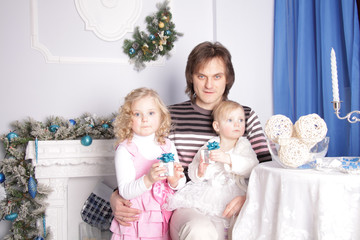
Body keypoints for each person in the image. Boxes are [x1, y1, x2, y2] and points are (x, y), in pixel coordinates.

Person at [110, 41, 272, 240]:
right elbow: (144, 158)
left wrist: (249, 198)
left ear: (227, 79)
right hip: (189, 204)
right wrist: (116, 195)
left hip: (238, 199)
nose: (209, 85)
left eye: (217, 76)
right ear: (191, 78)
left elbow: (267, 168)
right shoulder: (170, 116)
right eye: (201, 76)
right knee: (199, 231)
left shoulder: (244, 116)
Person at [165, 100, 259, 240]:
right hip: (208, 191)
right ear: (217, 126)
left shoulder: (244, 145)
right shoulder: (211, 145)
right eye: (230, 120)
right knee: (209, 224)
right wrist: (201, 171)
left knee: (239, 224)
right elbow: (193, 168)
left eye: (241, 120)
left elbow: (252, 166)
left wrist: (228, 159)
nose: (237, 124)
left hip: (234, 193)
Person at [110, 87, 186, 240]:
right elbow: (125, 191)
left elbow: (179, 183)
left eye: (151, 113)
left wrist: (174, 180)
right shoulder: (125, 150)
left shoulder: (167, 145)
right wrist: (148, 179)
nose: (145, 119)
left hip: (162, 217)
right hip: (136, 222)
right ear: (128, 119)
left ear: (161, 116)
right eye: (137, 114)